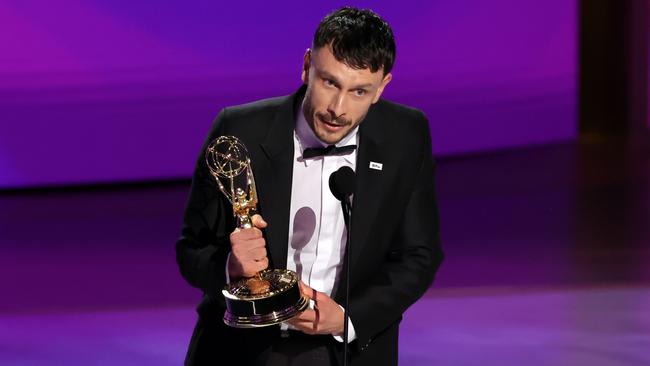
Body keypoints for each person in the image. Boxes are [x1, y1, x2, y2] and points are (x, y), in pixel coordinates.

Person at [176, 6, 443, 366]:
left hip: (347, 351)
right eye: (329, 82)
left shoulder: (405, 136)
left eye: (359, 92)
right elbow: (191, 250)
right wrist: (230, 268)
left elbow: (419, 255)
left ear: (382, 88)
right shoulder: (239, 132)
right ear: (306, 66)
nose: (338, 108)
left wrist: (347, 318)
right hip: (242, 351)